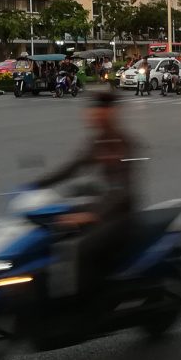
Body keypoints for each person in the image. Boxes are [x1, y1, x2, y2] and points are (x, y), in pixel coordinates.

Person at [32, 92, 138, 297]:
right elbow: (72, 167)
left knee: (81, 248)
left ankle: (87, 308)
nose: (94, 115)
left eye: (101, 111)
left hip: (120, 214)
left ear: (111, 113)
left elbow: (123, 191)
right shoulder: (98, 142)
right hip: (103, 205)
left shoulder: (123, 143)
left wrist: (92, 214)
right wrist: (36, 184)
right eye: (93, 111)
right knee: (52, 224)